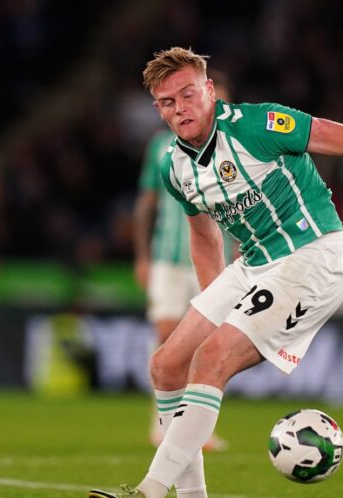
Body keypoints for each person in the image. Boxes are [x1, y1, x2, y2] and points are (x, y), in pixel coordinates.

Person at [88, 46, 343, 498]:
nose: (179, 107)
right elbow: (203, 234)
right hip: (254, 264)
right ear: (158, 110)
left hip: (314, 257)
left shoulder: (258, 124)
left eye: (187, 94)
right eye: (166, 102)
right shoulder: (173, 166)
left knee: (210, 361)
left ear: (209, 91)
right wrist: (219, 304)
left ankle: (147, 496)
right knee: (166, 364)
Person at [133, 71, 233, 452]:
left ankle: (198, 429)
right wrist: (142, 256)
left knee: (206, 345)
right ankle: (162, 422)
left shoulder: (232, 148)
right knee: (166, 337)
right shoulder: (161, 146)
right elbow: (146, 203)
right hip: (167, 258)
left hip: (211, 260)